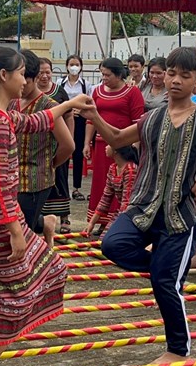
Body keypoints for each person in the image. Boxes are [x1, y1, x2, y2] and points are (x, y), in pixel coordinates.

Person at [84, 46, 196, 363]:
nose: (175, 80)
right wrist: (94, 117)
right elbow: (118, 138)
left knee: (166, 285)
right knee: (113, 244)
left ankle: (178, 350)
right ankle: (168, 271)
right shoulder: (153, 116)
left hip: (182, 212)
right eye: (171, 73)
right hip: (144, 206)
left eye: (184, 76)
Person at [0, 47, 92, 366]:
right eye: (21, 73)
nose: (26, 80)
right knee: (16, 301)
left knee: (51, 266)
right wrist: (14, 229)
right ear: (4, 76)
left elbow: (37, 121)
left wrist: (69, 105)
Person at [8, 50, 74, 245]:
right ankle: (45, 222)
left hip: (36, 178)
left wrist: (49, 164)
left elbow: (68, 145)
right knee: (13, 223)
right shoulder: (12, 102)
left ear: (35, 78)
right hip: (12, 175)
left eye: (24, 79)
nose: (20, 84)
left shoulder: (48, 105)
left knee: (21, 232)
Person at [84, 57, 145, 233]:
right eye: (102, 74)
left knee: (123, 184)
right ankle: (99, 221)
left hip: (123, 145)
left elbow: (137, 122)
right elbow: (91, 120)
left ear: (119, 75)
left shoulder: (132, 93)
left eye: (107, 75)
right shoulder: (97, 92)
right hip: (102, 145)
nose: (104, 78)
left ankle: (116, 222)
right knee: (102, 184)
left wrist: (134, 147)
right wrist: (87, 143)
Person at [37, 57, 73, 234]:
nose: (44, 76)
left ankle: (64, 216)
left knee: (61, 176)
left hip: (59, 141)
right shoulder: (32, 92)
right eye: (41, 72)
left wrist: (70, 138)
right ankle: (42, 217)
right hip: (39, 144)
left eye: (47, 72)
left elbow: (69, 116)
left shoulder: (60, 92)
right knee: (42, 178)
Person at [59, 54, 93, 202]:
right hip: (64, 119)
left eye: (77, 64)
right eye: (71, 64)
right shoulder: (60, 83)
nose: (74, 67)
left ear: (81, 67)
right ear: (66, 65)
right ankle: (62, 187)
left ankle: (77, 188)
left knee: (78, 154)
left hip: (80, 121)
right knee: (63, 152)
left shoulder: (86, 85)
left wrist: (80, 111)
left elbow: (89, 102)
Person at [85, 145, 137, 236]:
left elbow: (127, 203)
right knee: (105, 240)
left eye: (108, 144)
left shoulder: (130, 170)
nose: (105, 147)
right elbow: (106, 198)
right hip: (123, 213)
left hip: (134, 214)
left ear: (116, 150)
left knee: (111, 242)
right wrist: (92, 223)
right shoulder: (113, 168)